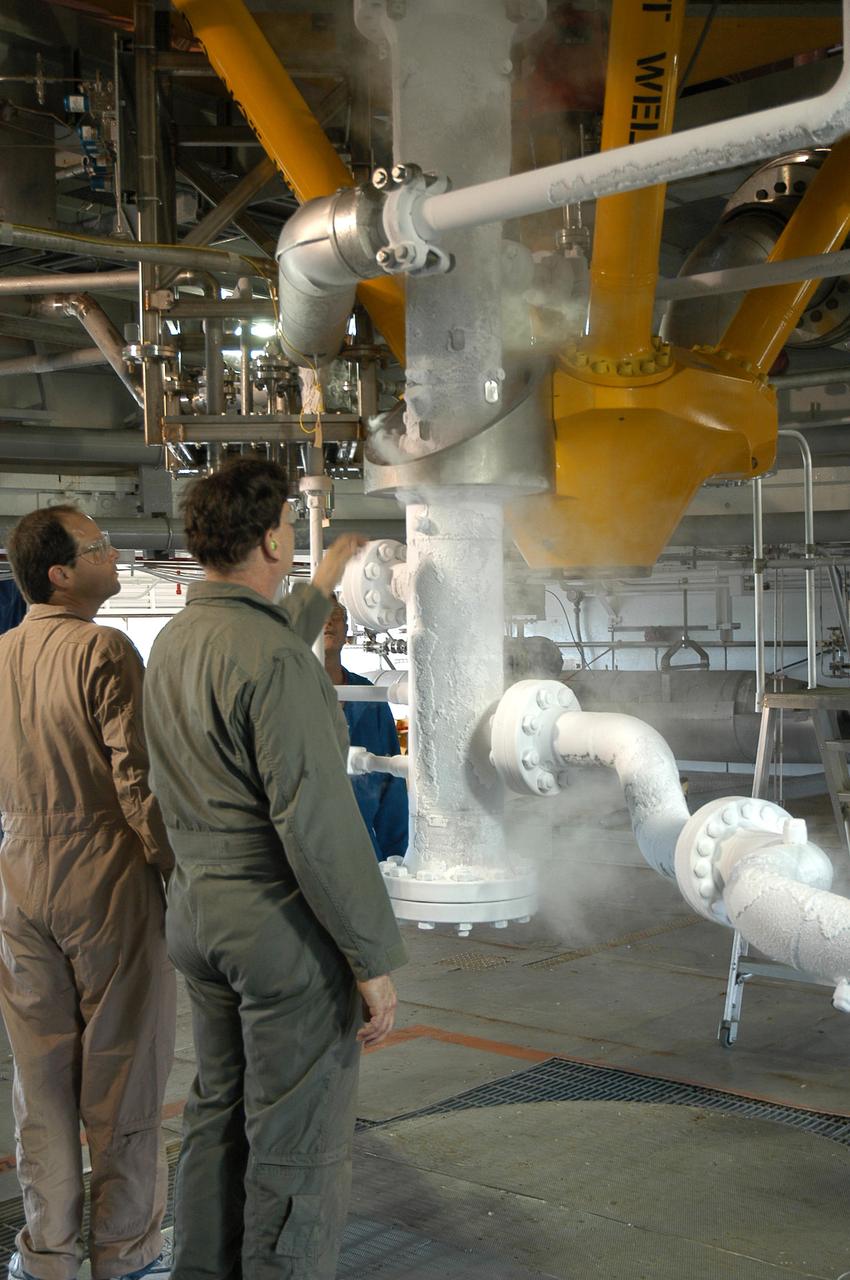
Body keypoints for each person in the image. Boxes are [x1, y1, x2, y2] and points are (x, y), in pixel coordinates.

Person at [143, 459, 407, 1280]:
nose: (297, 534)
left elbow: (262, 652)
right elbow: (318, 827)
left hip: (197, 915)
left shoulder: (178, 638)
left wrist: (322, 584)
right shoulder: (278, 661)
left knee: (219, 1117)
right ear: (268, 537)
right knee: (297, 1143)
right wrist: (373, 961)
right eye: (292, 523)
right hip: (276, 927)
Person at [0, 506, 176, 1280]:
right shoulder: (104, 649)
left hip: (18, 870)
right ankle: (126, 1256)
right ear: (62, 573)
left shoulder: (0, 654)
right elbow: (136, 777)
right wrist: (176, 868)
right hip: (103, 865)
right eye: (101, 547)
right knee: (124, 1075)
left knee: (38, 1081)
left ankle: (46, 1259)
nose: (114, 553)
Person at [323, 599, 408, 861]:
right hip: (300, 849)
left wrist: (393, 857)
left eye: (335, 616)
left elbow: (390, 782)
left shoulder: (369, 696)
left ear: (347, 631)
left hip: (361, 850)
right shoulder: (284, 692)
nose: (327, 621)